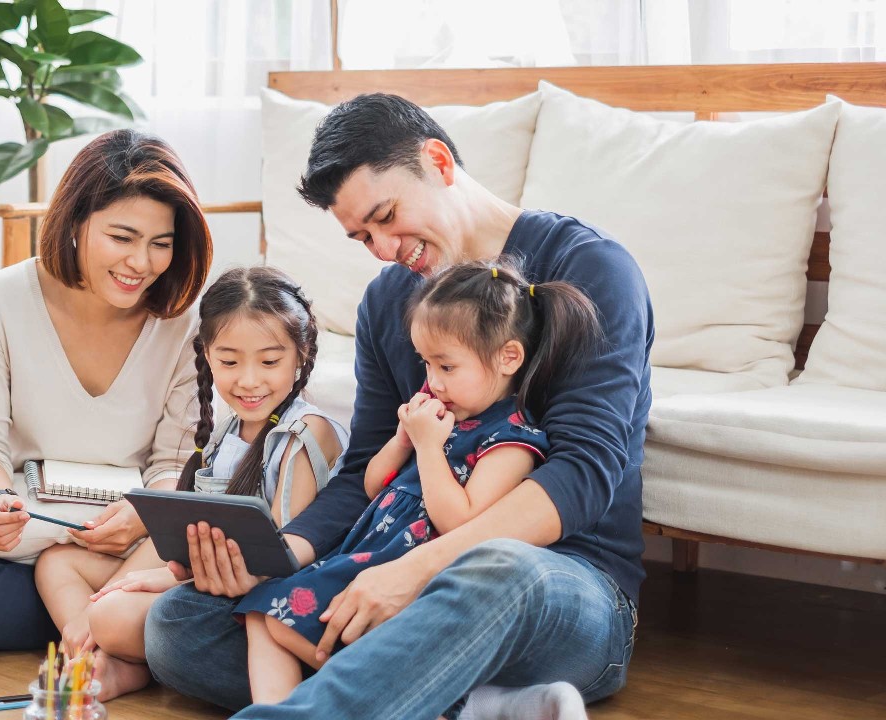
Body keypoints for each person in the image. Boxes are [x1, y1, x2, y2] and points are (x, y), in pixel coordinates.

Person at [144, 93, 653, 720]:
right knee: (179, 623)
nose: (384, 248)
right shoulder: (388, 304)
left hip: (558, 584)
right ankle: (483, 707)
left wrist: (418, 570)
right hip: (392, 568)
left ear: (437, 161)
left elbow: (585, 473)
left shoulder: (591, 267)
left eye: (386, 216)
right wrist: (277, 560)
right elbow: (362, 470)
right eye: (363, 236)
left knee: (498, 571)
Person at [237, 258, 600, 704]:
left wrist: (430, 448)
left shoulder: (511, 442)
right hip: (367, 556)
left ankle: (427, 704)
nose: (431, 382)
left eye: (447, 367)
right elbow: (374, 487)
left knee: (277, 617)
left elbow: (458, 523)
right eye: (426, 364)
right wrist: (401, 442)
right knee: (261, 612)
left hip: (420, 579)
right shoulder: (439, 417)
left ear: (508, 357)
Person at [0, 129, 213, 652]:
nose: (141, 263)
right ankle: (116, 624)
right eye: (122, 237)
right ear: (75, 221)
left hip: (130, 539)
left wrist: (143, 512)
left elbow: (176, 464)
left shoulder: (185, 323)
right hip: (35, 531)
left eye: (161, 244)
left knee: (195, 555)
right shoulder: (1, 299)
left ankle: (97, 617)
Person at [34, 266, 349, 700]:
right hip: (200, 576)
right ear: (207, 355)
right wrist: (152, 577)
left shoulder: (306, 432)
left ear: (301, 354)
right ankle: (101, 656)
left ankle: (113, 653)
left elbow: (276, 560)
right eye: (230, 361)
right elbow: (187, 534)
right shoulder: (226, 433)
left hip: (255, 595)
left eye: (270, 362)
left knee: (111, 614)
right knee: (56, 564)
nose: (249, 379)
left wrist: (163, 582)